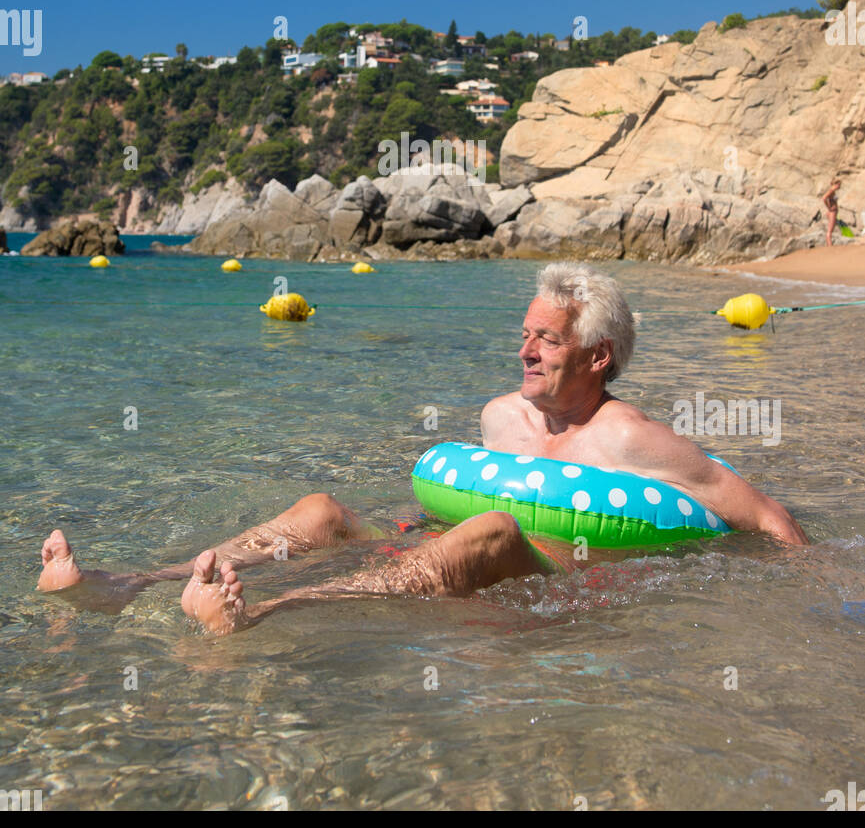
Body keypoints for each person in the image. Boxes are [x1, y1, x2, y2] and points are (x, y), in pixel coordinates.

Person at [37, 264, 808, 635]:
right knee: (322, 510)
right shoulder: (500, 416)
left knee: (494, 531)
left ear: (598, 355)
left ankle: (261, 611)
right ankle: (126, 581)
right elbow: (446, 499)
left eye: (546, 337)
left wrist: (814, 594)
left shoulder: (634, 438)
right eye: (524, 333)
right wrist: (370, 543)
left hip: (541, 570)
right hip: (435, 548)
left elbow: (764, 516)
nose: (525, 349)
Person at [821, 177, 842, 246]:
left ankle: (829, 246)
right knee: (829, 231)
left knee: (830, 230)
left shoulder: (833, 191)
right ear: (836, 184)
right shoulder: (831, 191)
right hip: (832, 212)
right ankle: (830, 248)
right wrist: (829, 207)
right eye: (839, 185)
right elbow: (824, 198)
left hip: (833, 211)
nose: (840, 187)